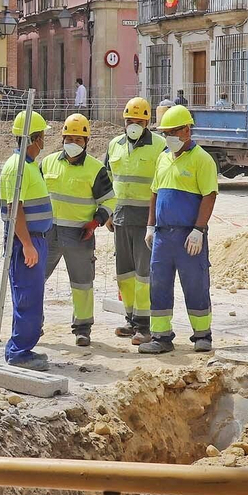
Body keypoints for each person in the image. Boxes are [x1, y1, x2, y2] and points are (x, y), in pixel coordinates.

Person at [141, 105, 218, 354]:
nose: (169, 137)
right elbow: (155, 193)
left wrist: (199, 230)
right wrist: (150, 225)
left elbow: (209, 196)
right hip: (163, 236)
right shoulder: (163, 157)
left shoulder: (202, 159)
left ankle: (202, 335)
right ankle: (161, 337)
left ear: (187, 130)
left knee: (195, 284)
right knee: (159, 285)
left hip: (188, 235)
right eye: (165, 133)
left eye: (173, 132)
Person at [40, 113, 113, 347]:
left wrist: (96, 221)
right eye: (69, 138)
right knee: (35, 280)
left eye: (78, 139)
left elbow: (110, 200)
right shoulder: (47, 163)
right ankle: (33, 324)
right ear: (62, 138)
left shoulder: (96, 169)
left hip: (80, 236)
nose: (73, 143)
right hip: (48, 234)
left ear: (86, 141)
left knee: (82, 285)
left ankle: (82, 329)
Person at [0, 110, 55, 370]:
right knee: (27, 297)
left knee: (32, 296)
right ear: (34, 138)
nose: (44, 140)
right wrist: (28, 245)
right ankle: (19, 353)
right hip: (25, 242)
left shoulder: (29, 165)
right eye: (42, 136)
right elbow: (15, 209)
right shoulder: (17, 167)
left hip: (34, 240)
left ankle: (22, 348)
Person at [107, 97, 163, 343]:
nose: (133, 125)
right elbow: (107, 180)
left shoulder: (160, 146)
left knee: (143, 275)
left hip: (146, 221)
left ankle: (144, 325)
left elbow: (163, 185)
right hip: (121, 218)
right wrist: (108, 212)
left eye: (138, 121)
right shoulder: (114, 145)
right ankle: (130, 319)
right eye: (130, 120)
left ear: (147, 122)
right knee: (125, 274)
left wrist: (156, 221)